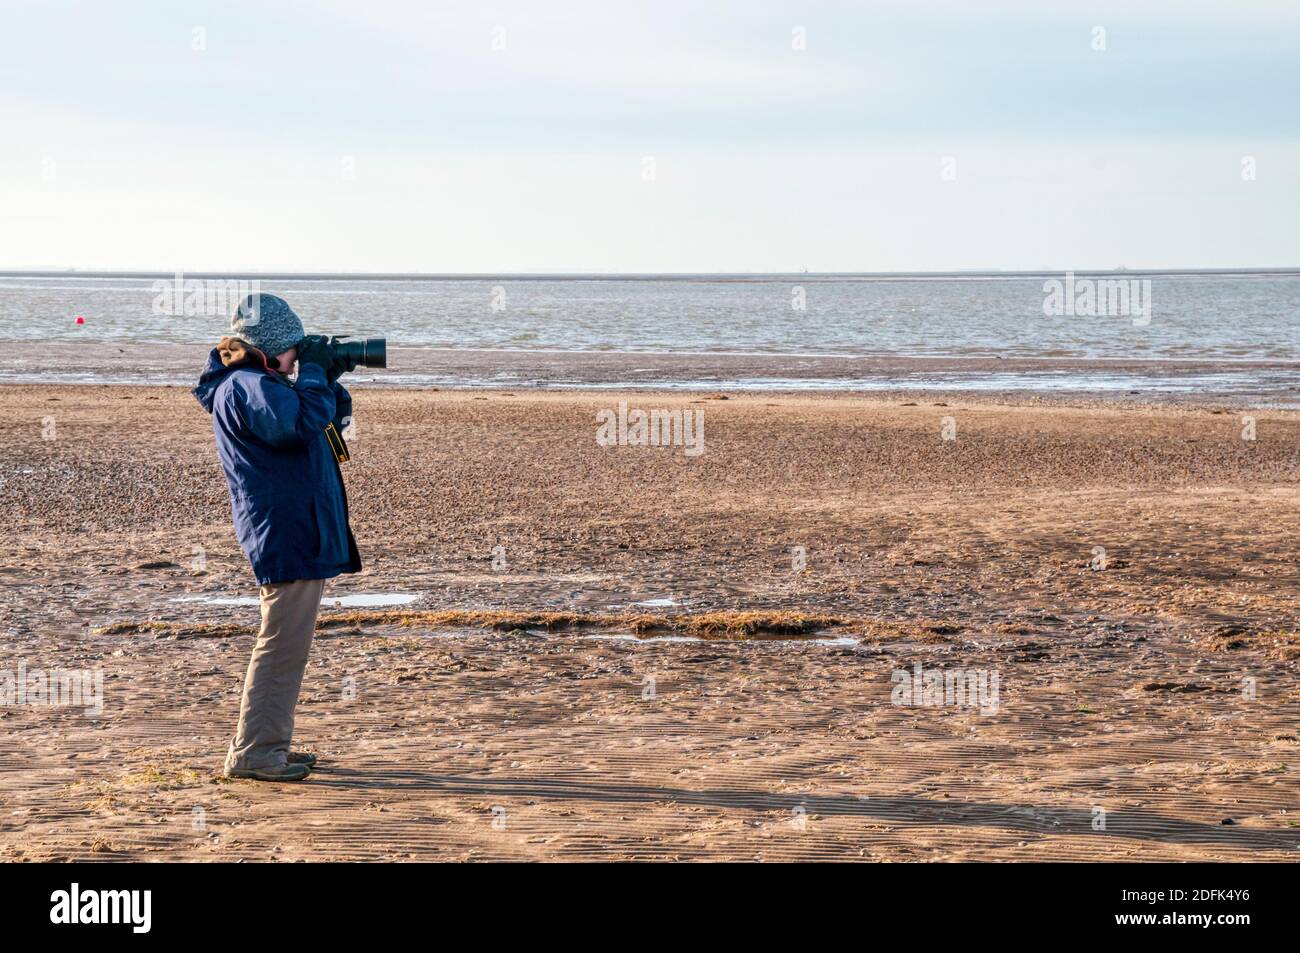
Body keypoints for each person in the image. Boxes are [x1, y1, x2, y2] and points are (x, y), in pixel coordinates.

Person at [193, 293, 361, 781]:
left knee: (287, 643)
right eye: (293, 349)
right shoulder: (248, 385)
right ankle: (255, 754)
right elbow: (296, 426)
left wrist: (323, 376)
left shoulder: (259, 382)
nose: (296, 359)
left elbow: (329, 424)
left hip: (292, 528)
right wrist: (310, 375)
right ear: (267, 348)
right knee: (281, 644)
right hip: (285, 531)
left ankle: (264, 746)